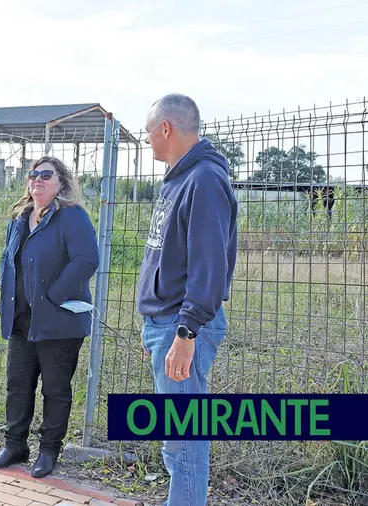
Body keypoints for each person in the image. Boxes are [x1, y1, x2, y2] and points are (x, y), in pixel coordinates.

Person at [137, 93, 238, 506]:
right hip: (166, 324)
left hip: (182, 326)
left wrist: (185, 331)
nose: (147, 141)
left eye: (148, 132)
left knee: (184, 444)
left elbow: (208, 266)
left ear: (166, 128)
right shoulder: (180, 177)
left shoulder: (204, 180)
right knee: (176, 440)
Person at [0, 156, 100, 479]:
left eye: (45, 174)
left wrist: (54, 296)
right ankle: (15, 445)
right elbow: (8, 263)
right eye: (33, 174)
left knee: (55, 388)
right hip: (22, 320)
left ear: (61, 183)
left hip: (59, 322)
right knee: (18, 386)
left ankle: (49, 450)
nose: (37, 179)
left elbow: (86, 260)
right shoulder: (20, 217)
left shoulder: (72, 217)